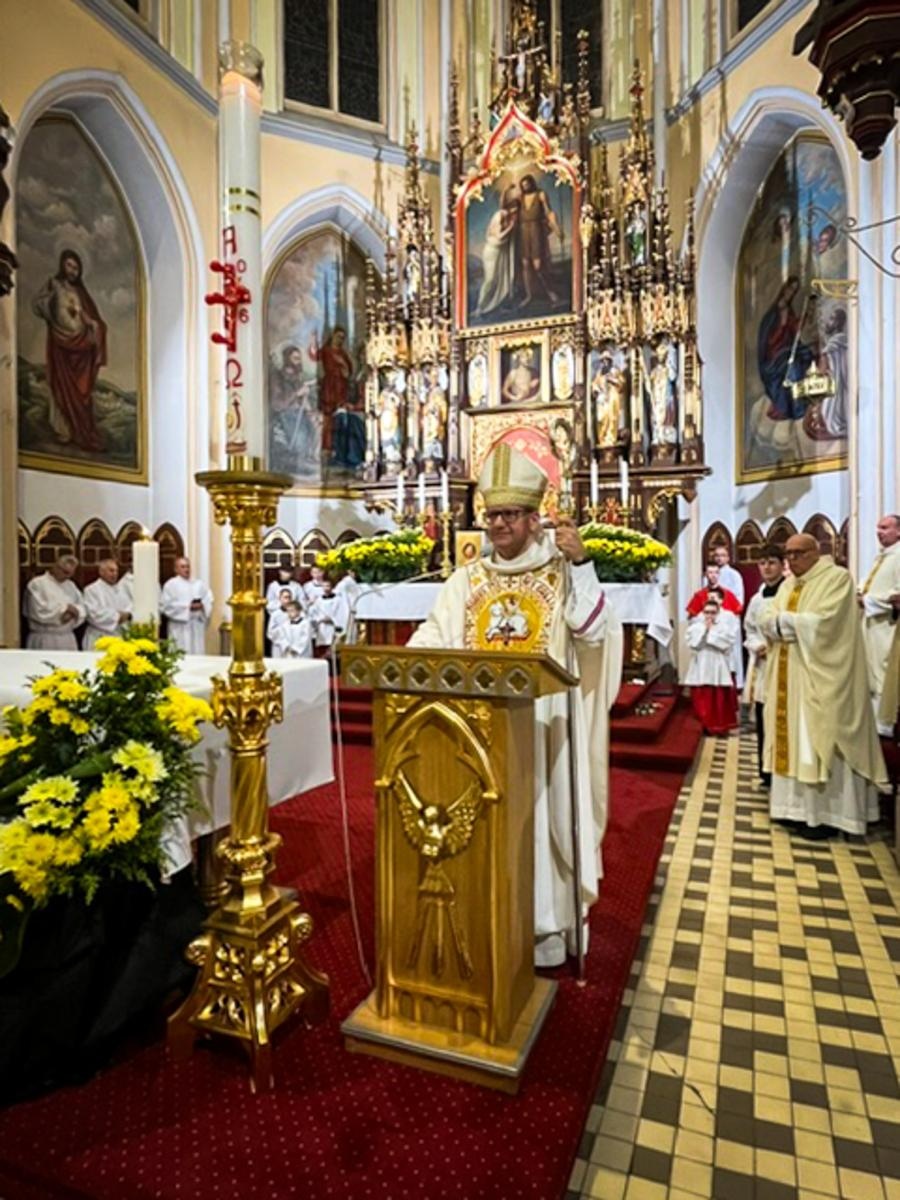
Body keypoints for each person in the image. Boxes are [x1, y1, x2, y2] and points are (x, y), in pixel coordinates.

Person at [407, 444, 623, 968]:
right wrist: (409, 661)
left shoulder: (563, 571)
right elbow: (434, 635)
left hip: (545, 728)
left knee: (542, 824)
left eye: (509, 515)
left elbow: (595, 636)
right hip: (477, 731)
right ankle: (488, 918)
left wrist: (584, 563)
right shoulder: (467, 579)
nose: (498, 525)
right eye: (492, 515)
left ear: (533, 518)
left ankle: (545, 931)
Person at [758, 534, 887, 838]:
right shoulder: (789, 584)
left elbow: (826, 624)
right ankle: (794, 810)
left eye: (797, 553)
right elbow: (766, 617)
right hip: (789, 679)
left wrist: (784, 623)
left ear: (816, 552)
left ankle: (827, 815)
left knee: (816, 737)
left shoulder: (837, 579)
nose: (791, 560)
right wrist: (784, 623)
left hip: (822, 680)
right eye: (787, 554)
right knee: (793, 738)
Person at [32, 249, 107, 452]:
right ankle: (63, 430)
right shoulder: (53, 285)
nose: (72, 271)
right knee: (60, 385)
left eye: (76, 267)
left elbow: (89, 318)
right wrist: (50, 303)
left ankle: (81, 431)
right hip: (61, 346)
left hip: (81, 351)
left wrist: (95, 326)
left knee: (81, 392)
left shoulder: (81, 293)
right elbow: (37, 305)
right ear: (62, 266)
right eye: (69, 266)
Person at [743, 544, 786, 786]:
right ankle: (765, 771)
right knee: (762, 716)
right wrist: (756, 644)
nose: (767, 567)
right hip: (762, 662)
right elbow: (749, 628)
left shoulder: (787, 594)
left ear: (782, 565)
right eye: (762, 563)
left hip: (782, 661)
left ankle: (780, 770)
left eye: (772, 562)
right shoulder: (756, 599)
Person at [858, 514, 900, 733]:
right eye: (878, 527)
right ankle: (872, 726)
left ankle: (885, 726)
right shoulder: (881, 557)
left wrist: (867, 601)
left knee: (883, 673)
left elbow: (897, 596)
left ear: (898, 531)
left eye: (885, 528)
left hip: (888, 628)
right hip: (871, 625)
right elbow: (867, 585)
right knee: (870, 672)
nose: (879, 532)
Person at [685, 596, 740, 735]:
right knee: (702, 696)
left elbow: (726, 644)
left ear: (717, 613)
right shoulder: (696, 627)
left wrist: (711, 634)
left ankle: (717, 725)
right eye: (707, 612)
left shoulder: (724, 627)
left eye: (713, 612)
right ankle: (703, 724)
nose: (709, 615)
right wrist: (705, 632)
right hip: (701, 662)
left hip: (717, 662)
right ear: (703, 613)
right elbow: (694, 644)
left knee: (717, 697)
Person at [517, 173, 562, 308]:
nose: (525, 187)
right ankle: (529, 295)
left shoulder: (541, 195)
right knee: (526, 264)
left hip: (536, 230)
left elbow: (548, 212)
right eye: (523, 185)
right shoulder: (521, 198)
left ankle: (551, 293)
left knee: (538, 264)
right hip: (524, 232)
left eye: (527, 184)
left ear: (531, 183)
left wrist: (555, 226)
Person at [24, 553, 86, 650]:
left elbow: (82, 606)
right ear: (56, 567)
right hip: (45, 637)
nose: (67, 576)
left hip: (67, 638)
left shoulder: (71, 585)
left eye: (70, 573)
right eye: (65, 572)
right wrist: (62, 612)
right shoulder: (37, 584)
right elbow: (38, 610)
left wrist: (76, 612)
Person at [309, 326, 353, 456]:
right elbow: (315, 356)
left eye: (342, 338)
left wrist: (344, 368)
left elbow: (349, 370)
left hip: (341, 386)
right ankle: (326, 447)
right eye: (338, 336)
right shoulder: (326, 350)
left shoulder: (342, 353)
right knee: (327, 417)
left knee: (338, 417)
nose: (339, 340)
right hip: (329, 386)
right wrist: (313, 340)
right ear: (333, 336)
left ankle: (337, 448)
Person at [476, 185, 519, 316]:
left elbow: (503, 202)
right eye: (513, 210)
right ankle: (481, 307)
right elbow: (498, 236)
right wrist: (510, 227)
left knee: (501, 280)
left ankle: (495, 305)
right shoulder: (499, 216)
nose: (514, 213)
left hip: (500, 252)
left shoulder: (506, 216)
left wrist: (506, 189)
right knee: (490, 279)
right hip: (492, 251)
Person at [159, 557, 213, 655]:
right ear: (176, 569)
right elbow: (165, 606)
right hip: (179, 627)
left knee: (197, 652)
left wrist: (203, 605)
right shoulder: (171, 585)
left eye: (188, 566)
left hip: (196, 626)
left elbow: (208, 599)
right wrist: (187, 607)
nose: (186, 569)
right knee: (181, 653)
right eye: (183, 567)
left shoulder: (198, 584)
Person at [83, 558, 131, 650]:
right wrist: (117, 616)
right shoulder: (92, 590)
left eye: (116, 571)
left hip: (118, 635)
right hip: (99, 636)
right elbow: (94, 614)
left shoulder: (120, 590)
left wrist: (127, 615)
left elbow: (129, 608)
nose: (115, 574)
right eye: (111, 571)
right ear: (101, 572)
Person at [310, 579, 350, 654]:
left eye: (328, 586)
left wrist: (332, 620)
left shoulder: (338, 600)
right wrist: (320, 619)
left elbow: (342, 614)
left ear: (332, 587)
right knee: (322, 651)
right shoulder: (318, 600)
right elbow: (313, 613)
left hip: (333, 628)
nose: (326, 588)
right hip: (321, 628)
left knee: (334, 651)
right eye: (324, 586)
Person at [710, 544, 745, 608]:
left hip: (729, 611)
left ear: (728, 558)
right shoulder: (708, 575)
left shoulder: (734, 575)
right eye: (717, 555)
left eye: (722, 555)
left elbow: (739, 599)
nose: (719, 558)